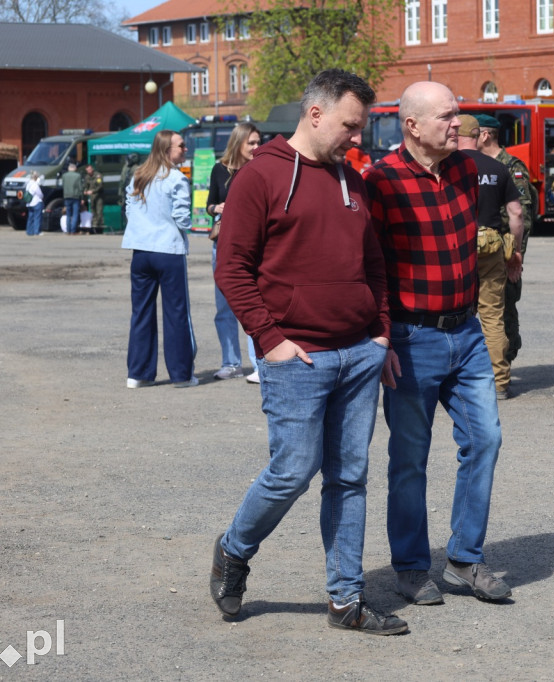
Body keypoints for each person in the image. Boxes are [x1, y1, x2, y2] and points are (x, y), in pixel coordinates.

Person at [210, 69, 405, 636]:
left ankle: (346, 600)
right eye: (350, 125)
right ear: (315, 114)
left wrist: (381, 334)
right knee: (292, 470)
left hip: (359, 354)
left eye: (361, 127)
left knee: (349, 478)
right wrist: (270, 341)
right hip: (298, 359)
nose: (357, 138)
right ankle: (233, 550)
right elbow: (232, 269)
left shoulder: (353, 182)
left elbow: (374, 265)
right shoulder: (259, 178)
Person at [363, 81, 511, 607]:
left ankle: (465, 558)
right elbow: (371, 265)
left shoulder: (469, 170)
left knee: (486, 439)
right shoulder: (380, 181)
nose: (459, 124)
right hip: (410, 337)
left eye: (458, 114)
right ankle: (409, 566)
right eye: (448, 116)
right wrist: (381, 337)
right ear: (412, 125)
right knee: (409, 458)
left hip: (467, 332)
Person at [121, 130, 199, 389]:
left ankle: (137, 374)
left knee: (141, 312)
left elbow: (129, 210)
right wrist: (194, 225)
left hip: (141, 251)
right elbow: (181, 217)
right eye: (181, 146)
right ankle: (181, 375)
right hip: (169, 250)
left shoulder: (138, 176)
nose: (185, 150)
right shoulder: (176, 178)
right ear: (167, 150)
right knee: (177, 313)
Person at [456, 114, 523, 400]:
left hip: (457, 249)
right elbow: (517, 213)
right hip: (492, 248)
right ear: (479, 135)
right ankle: (499, 383)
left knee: (455, 315)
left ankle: (458, 380)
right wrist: (515, 251)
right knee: (493, 318)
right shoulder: (498, 168)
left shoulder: (448, 168)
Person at [475, 113, 533, 364]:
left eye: (472, 133)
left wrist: (514, 255)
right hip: (480, 249)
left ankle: (505, 362)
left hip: (503, 250)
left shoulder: (512, 167)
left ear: (485, 135)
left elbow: (523, 216)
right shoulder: (473, 165)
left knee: (505, 308)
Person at [206, 122, 261, 383]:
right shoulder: (220, 169)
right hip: (223, 244)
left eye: (258, 142)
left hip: (253, 245)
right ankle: (231, 363)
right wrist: (217, 208)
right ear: (238, 142)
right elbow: (208, 204)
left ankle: (260, 363)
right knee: (224, 307)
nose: (256, 147)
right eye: (251, 142)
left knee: (254, 304)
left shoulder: (260, 168)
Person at [119, 153, 140, 230]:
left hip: (133, 193)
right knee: (125, 210)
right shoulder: (128, 168)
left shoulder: (137, 168)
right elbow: (123, 181)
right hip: (127, 192)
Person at [82, 164, 104, 234]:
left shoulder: (98, 176)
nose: (89, 171)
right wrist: (85, 191)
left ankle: (100, 228)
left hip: (98, 196)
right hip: (91, 197)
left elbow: (100, 186)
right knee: (93, 211)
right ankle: (94, 227)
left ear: (92, 169)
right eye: (87, 170)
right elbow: (86, 186)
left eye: (89, 169)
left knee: (99, 212)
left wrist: (93, 191)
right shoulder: (87, 177)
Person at [61, 163, 83, 234]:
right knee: (75, 214)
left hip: (67, 196)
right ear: (75, 168)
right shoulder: (78, 176)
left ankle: (68, 230)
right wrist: (82, 197)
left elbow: (63, 185)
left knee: (68, 214)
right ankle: (73, 230)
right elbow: (80, 187)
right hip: (75, 196)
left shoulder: (64, 176)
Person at [25, 171, 44, 237]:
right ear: (36, 177)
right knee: (37, 217)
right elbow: (40, 194)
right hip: (36, 202)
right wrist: (42, 197)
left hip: (29, 203)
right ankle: (37, 231)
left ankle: (29, 231)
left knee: (30, 218)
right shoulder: (35, 185)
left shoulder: (28, 184)